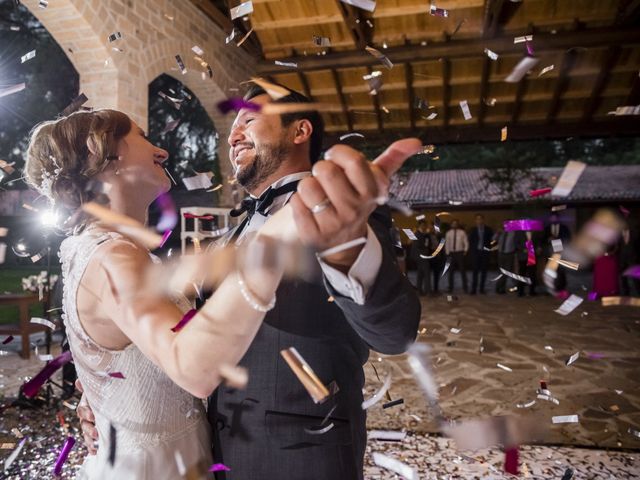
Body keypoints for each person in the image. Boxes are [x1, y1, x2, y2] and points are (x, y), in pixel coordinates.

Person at [77, 86, 422, 480]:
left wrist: (347, 252)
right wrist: (108, 399)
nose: (233, 135)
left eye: (249, 120)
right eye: (230, 129)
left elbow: (396, 333)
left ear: (300, 130)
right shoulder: (227, 237)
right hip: (214, 451)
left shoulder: (339, 209)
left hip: (301, 457)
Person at [25, 109, 295, 479]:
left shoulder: (93, 248)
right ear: (102, 153)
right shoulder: (113, 257)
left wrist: (102, 395)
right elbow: (196, 370)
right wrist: (278, 240)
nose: (162, 151)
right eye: (141, 136)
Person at [544, 213, 571, 292]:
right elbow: (542, 239)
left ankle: (561, 288)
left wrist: (558, 240)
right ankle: (550, 288)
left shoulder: (564, 228)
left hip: (561, 253)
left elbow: (568, 239)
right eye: (552, 219)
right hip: (550, 253)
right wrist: (548, 240)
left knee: (561, 271)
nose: (553, 220)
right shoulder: (547, 228)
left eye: (555, 218)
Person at [467, 214, 493, 294]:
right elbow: (469, 241)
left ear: (483, 220)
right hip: (475, 253)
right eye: (477, 219)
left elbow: (491, 242)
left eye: (480, 219)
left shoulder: (488, 229)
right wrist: (471, 252)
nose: (479, 221)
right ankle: (473, 289)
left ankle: (481, 289)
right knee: (475, 272)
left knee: (484, 272)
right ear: (475, 221)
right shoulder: (472, 229)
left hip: (485, 253)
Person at [412, 220, 437, 295]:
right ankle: (428, 291)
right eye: (423, 225)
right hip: (421, 256)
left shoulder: (422, 234)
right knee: (427, 273)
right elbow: (418, 246)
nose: (424, 226)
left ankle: (420, 291)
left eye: (424, 225)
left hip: (420, 256)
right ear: (419, 225)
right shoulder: (417, 234)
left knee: (420, 274)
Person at [445, 219, 468, 293]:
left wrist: (465, 250)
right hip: (451, 253)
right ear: (451, 225)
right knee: (450, 271)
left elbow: (466, 242)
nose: (454, 225)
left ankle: (465, 287)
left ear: (457, 224)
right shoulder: (448, 233)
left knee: (462, 271)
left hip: (460, 253)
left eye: (456, 223)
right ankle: (450, 287)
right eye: (453, 223)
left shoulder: (462, 232)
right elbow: (447, 243)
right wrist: (447, 253)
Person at [619, 224, 640, 296]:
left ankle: (638, 291)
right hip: (622, 257)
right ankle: (626, 292)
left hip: (633, 257)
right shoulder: (619, 234)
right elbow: (617, 246)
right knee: (623, 277)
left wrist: (637, 256)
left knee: (635, 277)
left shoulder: (635, 233)